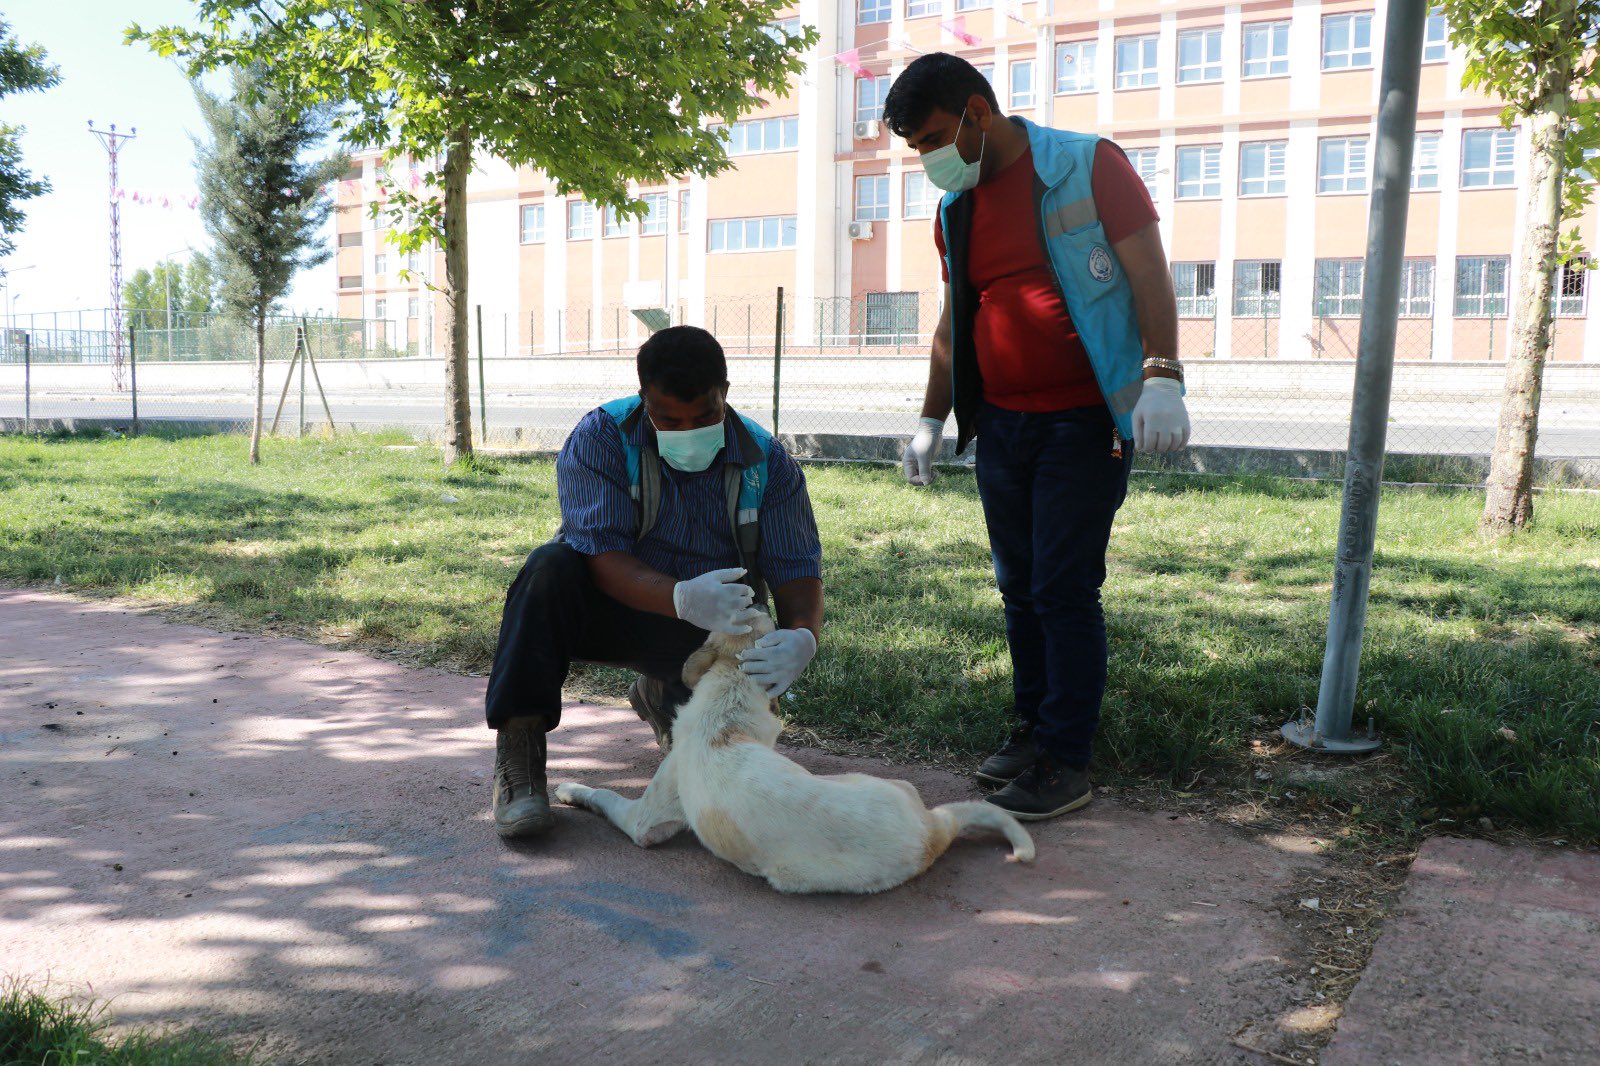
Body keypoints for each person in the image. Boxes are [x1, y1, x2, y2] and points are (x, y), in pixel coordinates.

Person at [884, 53, 1192, 821]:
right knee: (1019, 586)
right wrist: (931, 419)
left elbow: (1150, 276)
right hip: (1004, 428)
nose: (928, 161)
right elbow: (957, 322)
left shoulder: (1089, 166)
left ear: (977, 115)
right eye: (916, 149)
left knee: (1062, 586)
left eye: (930, 140)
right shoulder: (956, 210)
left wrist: (1163, 376)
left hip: (1083, 421)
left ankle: (1066, 758)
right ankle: (1032, 729)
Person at [483, 326, 824, 840]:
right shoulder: (601, 437)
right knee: (548, 570)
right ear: (644, 400)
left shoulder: (765, 461)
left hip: (707, 627)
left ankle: (666, 695)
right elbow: (599, 552)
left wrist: (803, 635)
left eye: (705, 417)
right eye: (669, 419)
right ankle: (520, 755)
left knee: (718, 755)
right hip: (609, 607)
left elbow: (797, 565)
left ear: (724, 393)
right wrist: (681, 597)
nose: (688, 431)